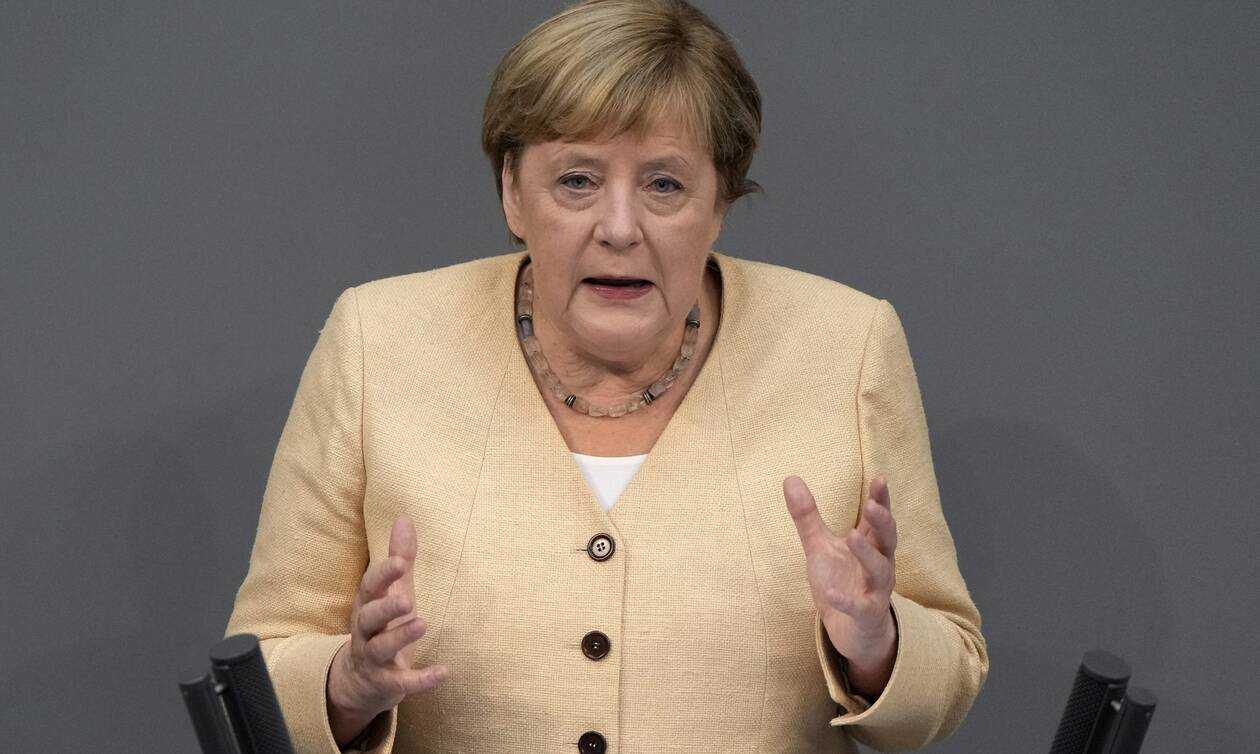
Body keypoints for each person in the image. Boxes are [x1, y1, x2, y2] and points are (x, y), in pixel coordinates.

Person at [223, 1, 989, 751]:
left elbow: (948, 675)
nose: (620, 229)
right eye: (578, 181)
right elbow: (260, 676)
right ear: (513, 192)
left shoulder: (846, 347)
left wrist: (877, 645)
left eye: (664, 185)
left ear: (719, 202)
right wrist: (346, 686)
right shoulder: (377, 342)